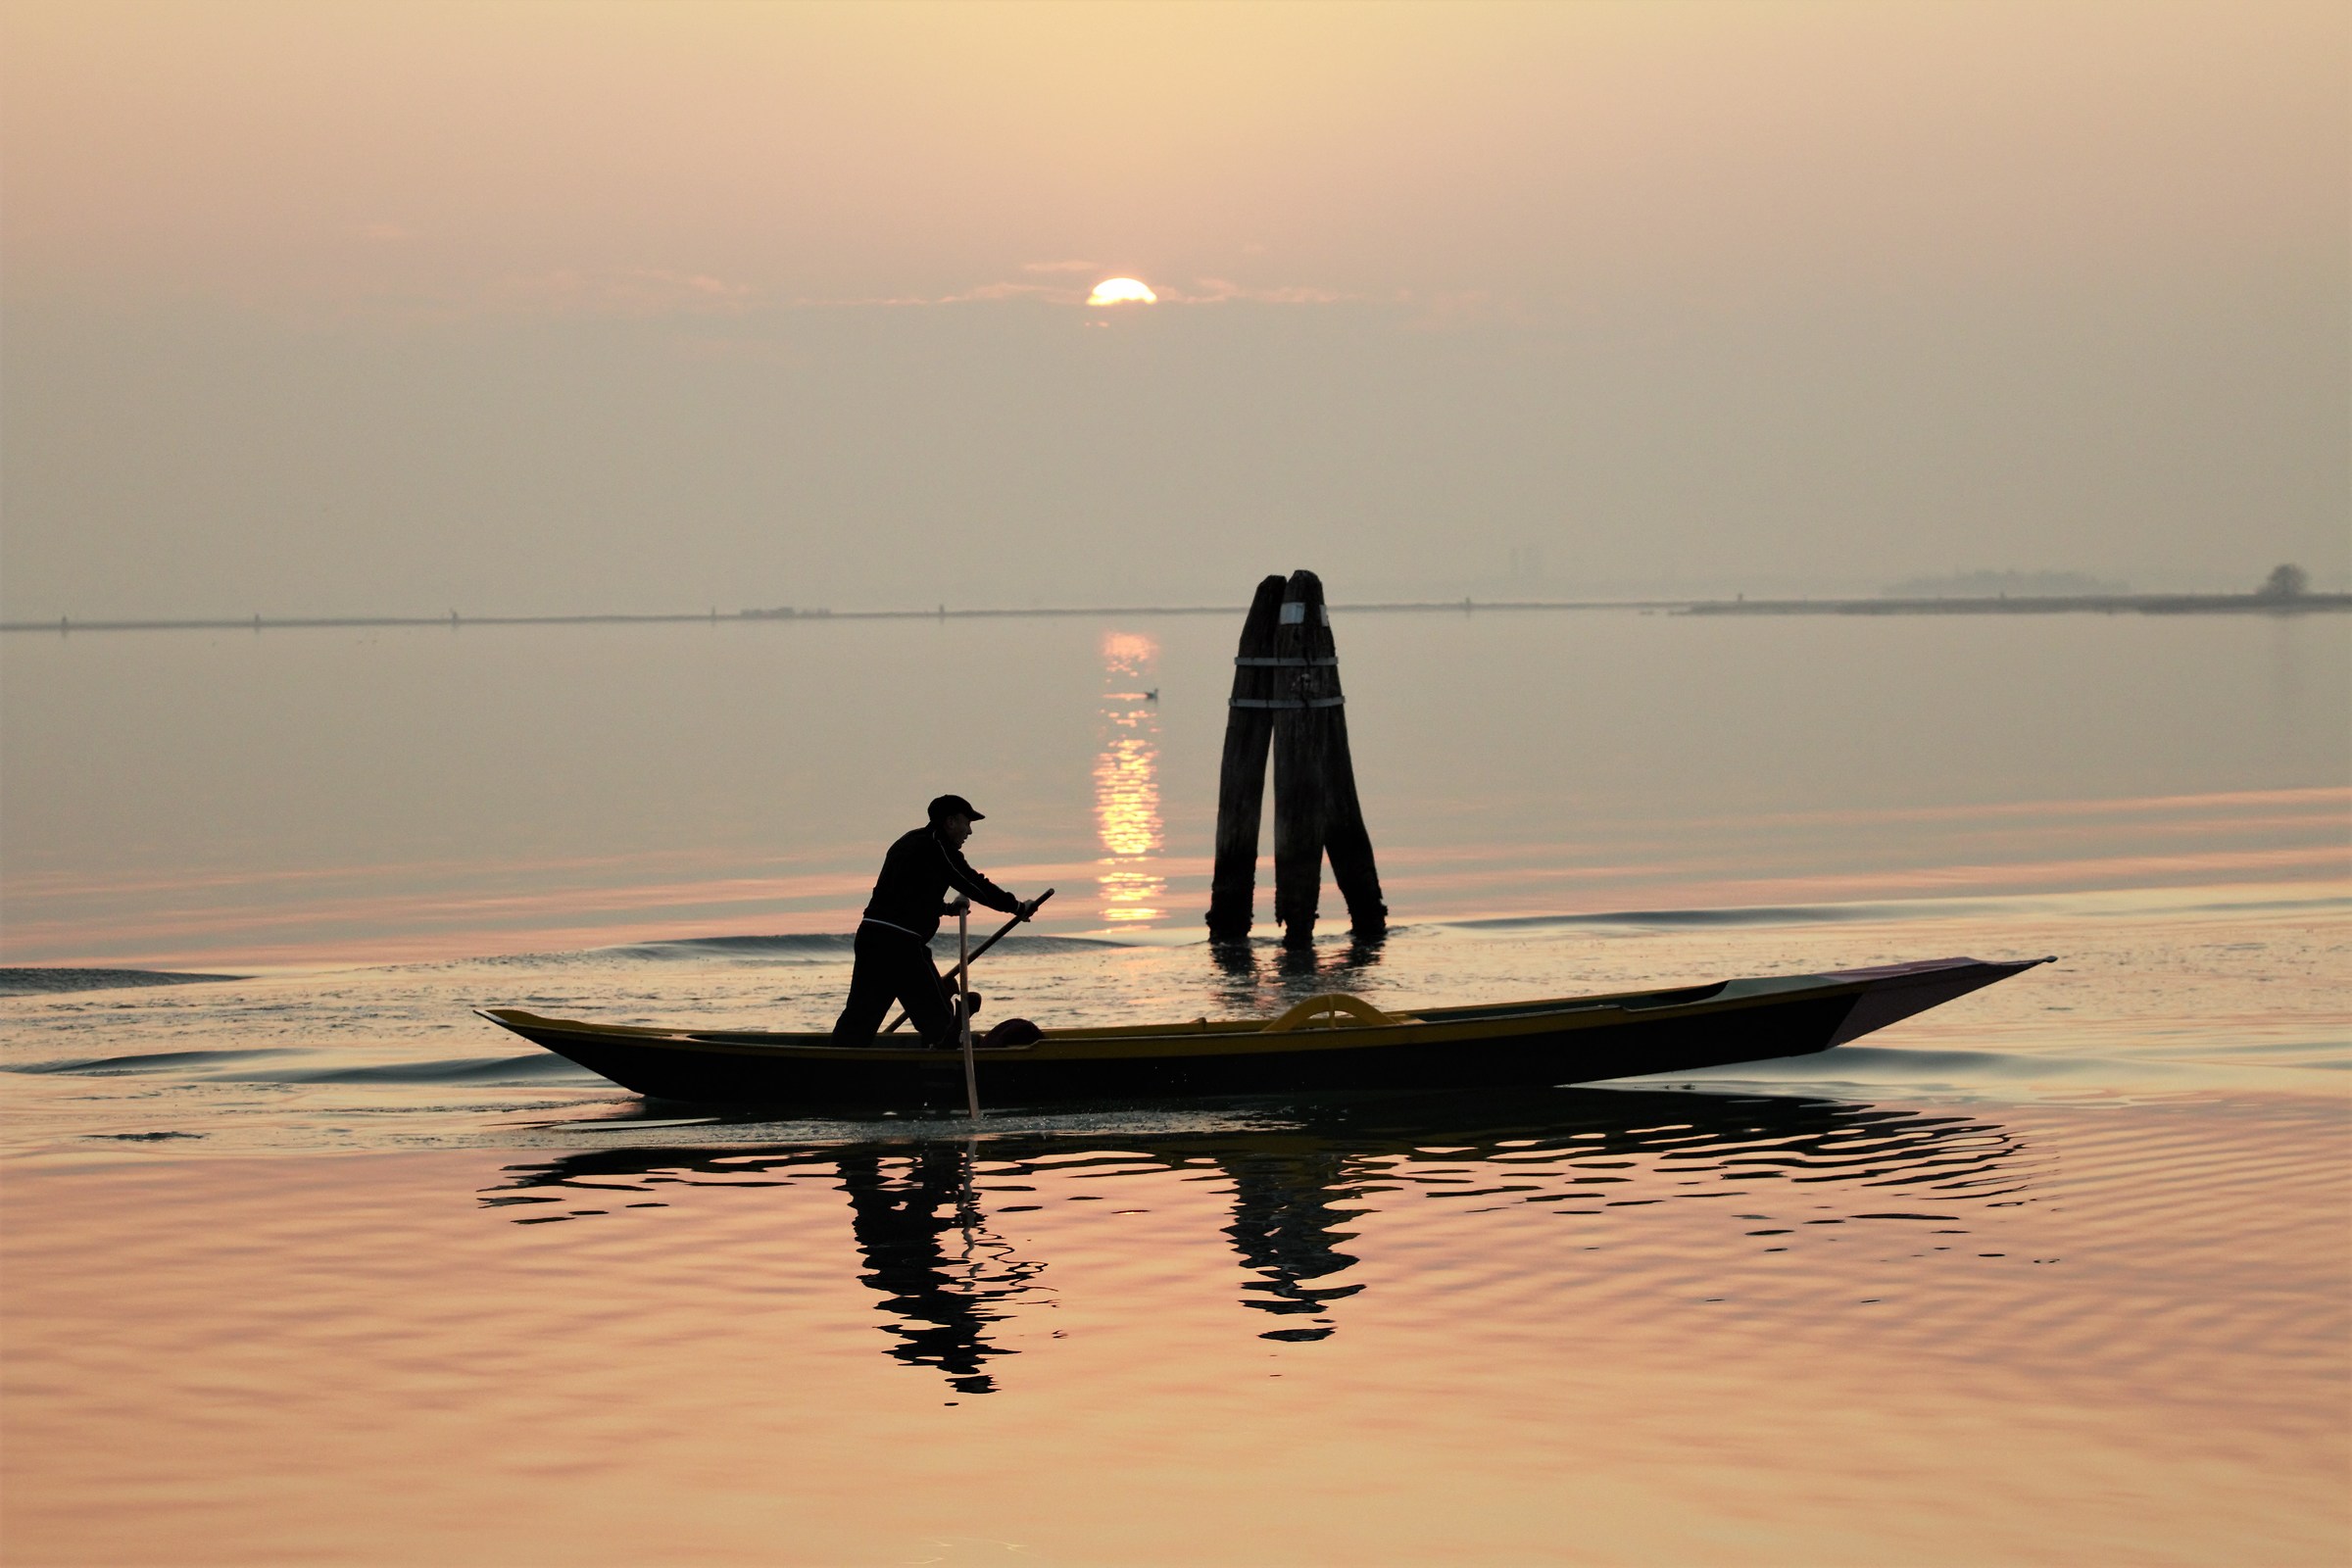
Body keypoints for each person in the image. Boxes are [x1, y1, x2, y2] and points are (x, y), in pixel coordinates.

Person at [832, 795, 1043, 1048]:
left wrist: (945, 908)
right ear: (951, 822)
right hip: (901, 944)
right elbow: (972, 883)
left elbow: (903, 895)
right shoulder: (938, 848)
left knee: (860, 1019)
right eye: (967, 823)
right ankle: (944, 1059)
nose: (970, 831)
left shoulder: (908, 841)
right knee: (940, 1023)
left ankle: (839, 1063)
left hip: (872, 938)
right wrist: (1017, 907)